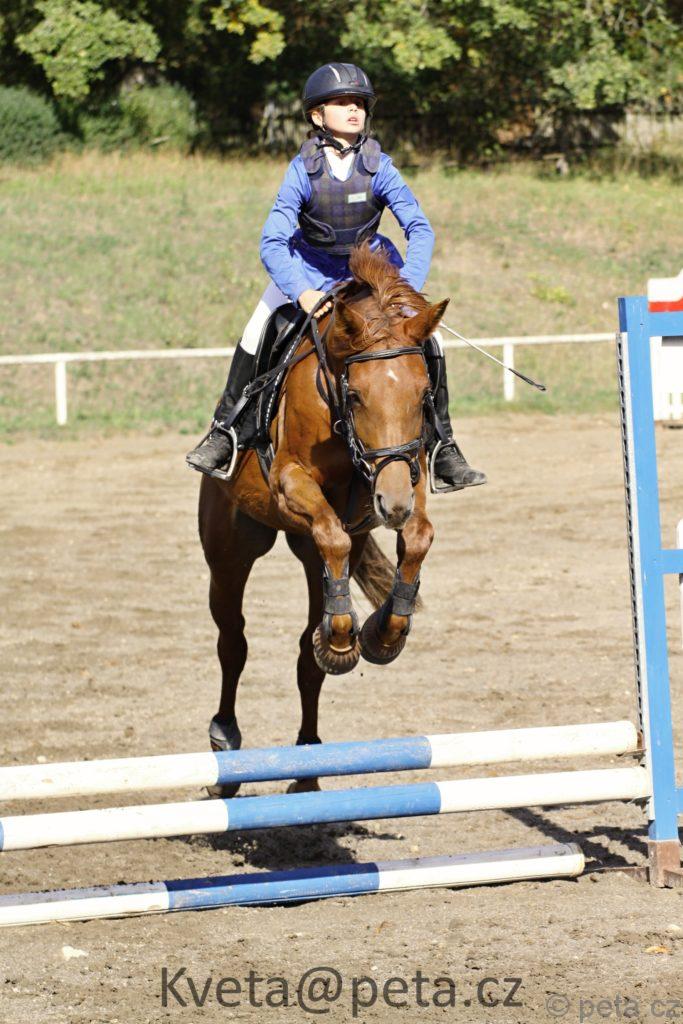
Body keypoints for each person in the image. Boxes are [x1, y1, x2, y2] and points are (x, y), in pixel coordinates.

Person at [186, 61, 486, 493]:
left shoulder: (380, 166)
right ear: (317, 115)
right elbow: (272, 240)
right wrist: (301, 292)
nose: (354, 109)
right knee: (257, 331)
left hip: (371, 276)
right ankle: (226, 431)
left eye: (359, 103)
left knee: (430, 340)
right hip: (309, 271)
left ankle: (444, 447)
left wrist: (405, 287)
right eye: (342, 102)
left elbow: (420, 229)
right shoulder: (302, 169)